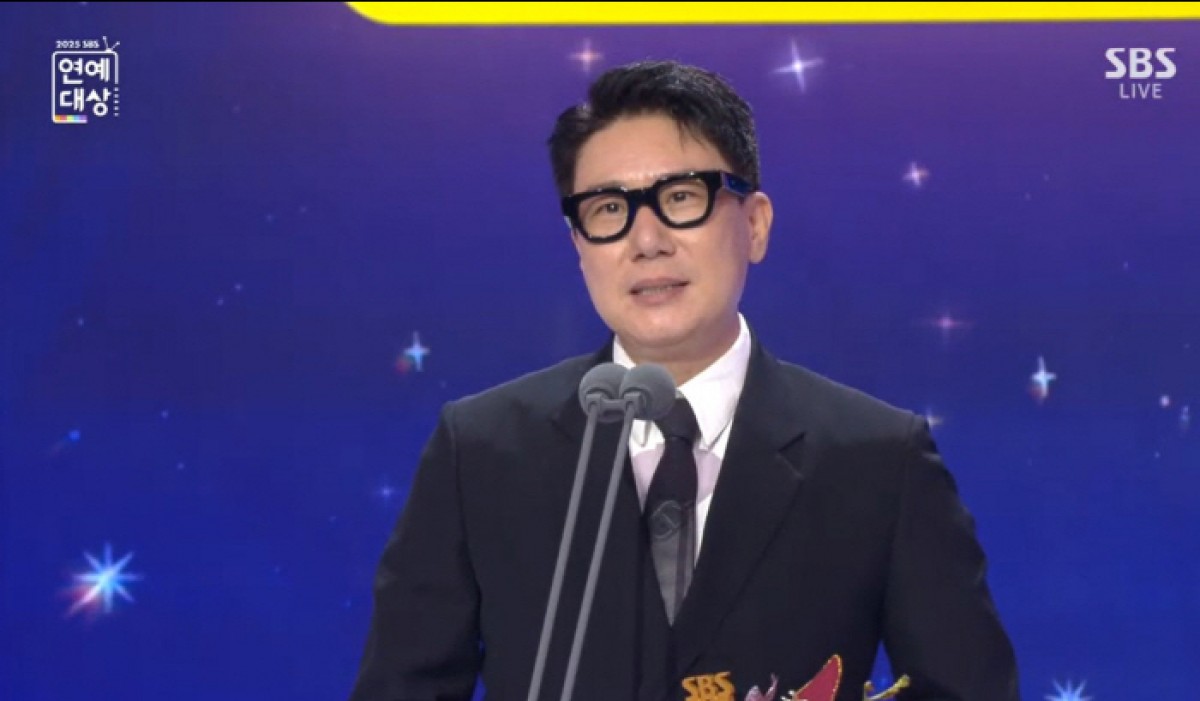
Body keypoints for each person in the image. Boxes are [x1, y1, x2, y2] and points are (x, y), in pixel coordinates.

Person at [348, 60, 1019, 701]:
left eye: (680, 197)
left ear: (754, 224)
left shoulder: (878, 460)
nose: (647, 240)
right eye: (608, 209)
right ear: (578, 245)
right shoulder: (481, 451)